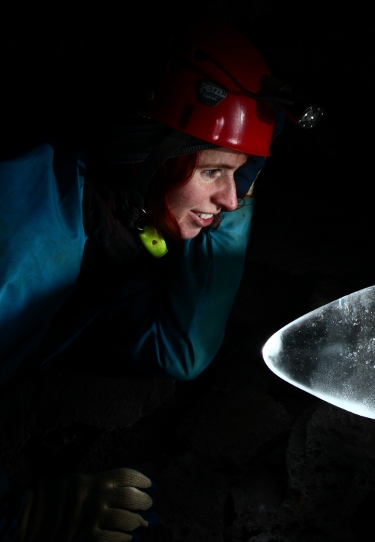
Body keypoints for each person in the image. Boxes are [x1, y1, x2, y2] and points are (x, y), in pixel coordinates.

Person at [0, 20, 310, 541]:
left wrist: (233, 182)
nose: (232, 200)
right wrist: (21, 518)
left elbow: (180, 349)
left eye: (243, 175)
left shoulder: (112, 231)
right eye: (215, 172)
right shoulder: (30, 244)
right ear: (147, 157)